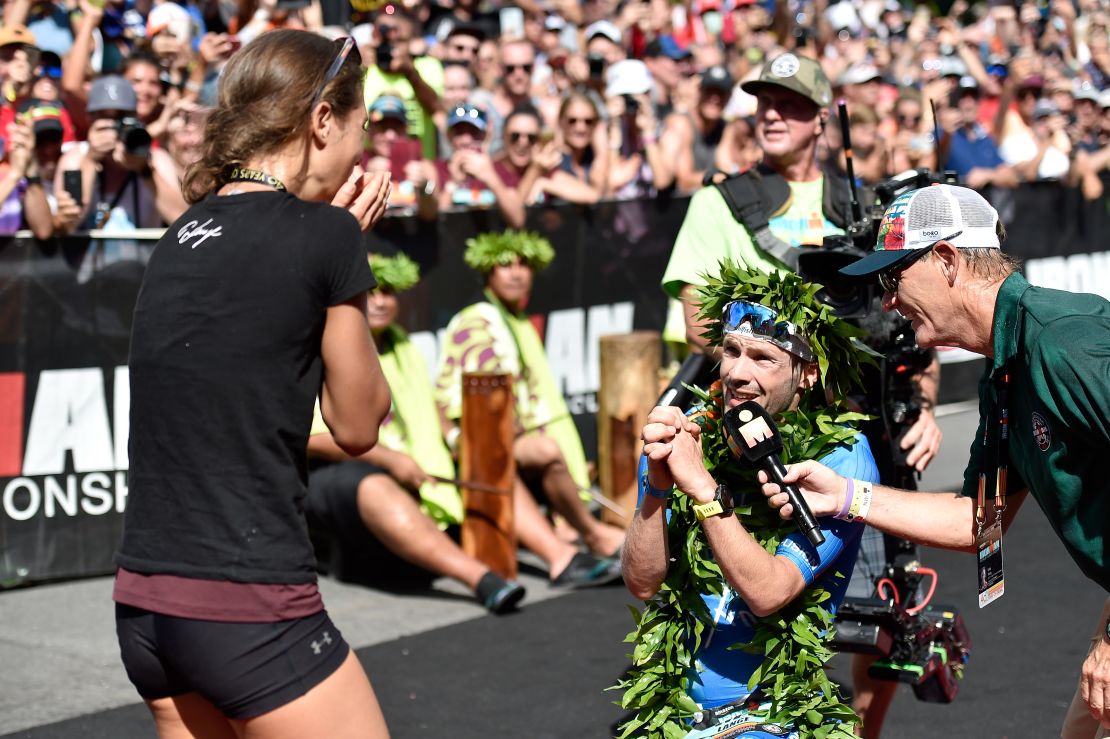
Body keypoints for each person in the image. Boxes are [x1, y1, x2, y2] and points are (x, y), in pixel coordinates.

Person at [113, 31, 395, 738]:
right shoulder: (326, 237)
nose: (361, 153)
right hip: (246, 600)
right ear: (322, 120)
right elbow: (359, 425)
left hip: (145, 606)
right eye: (359, 128)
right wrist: (347, 261)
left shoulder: (183, 232)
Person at [659, 52, 944, 736]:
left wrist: (924, 403)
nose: (770, 114)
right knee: (746, 601)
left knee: (877, 623)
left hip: (859, 436)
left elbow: (910, 320)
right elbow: (703, 324)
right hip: (749, 437)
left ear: (822, 120)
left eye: (788, 104)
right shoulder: (719, 202)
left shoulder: (866, 204)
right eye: (762, 101)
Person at [760, 183, 1110, 739]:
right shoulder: (1006, 366)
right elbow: (977, 520)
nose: (887, 301)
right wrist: (847, 497)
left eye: (893, 277)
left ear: (945, 259)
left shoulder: (1062, 342)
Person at [619, 264, 879, 736]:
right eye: (732, 351)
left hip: (772, 712)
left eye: (763, 358)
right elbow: (641, 583)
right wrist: (657, 486)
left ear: (806, 376)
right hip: (670, 705)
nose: (738, 373)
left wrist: (702, 489)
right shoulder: (686, 435)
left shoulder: (841, 458)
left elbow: (769, 592)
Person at [310, 252, 620, 593]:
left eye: (389, 292)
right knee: (370, 485)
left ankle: (562, 557)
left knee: (486, 456)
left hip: (425, 469)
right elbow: (315, 438)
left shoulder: (403, 343)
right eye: (371, 292)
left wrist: (459, 439)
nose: (381, 301)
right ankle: (480, 580)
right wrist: (392, 459)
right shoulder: (326, 346)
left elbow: (432, 408)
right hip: (346, 474)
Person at [434, 231, 625, 559]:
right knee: (546, 449)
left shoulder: (517, 321)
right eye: (505, 265)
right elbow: (462, 406)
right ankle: (593, 535)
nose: (517, 273)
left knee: (552, 449)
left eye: (524, 265)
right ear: (487, 273)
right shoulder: (478, 320)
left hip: (511, 437)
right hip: (477, 441)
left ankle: (566, 522)